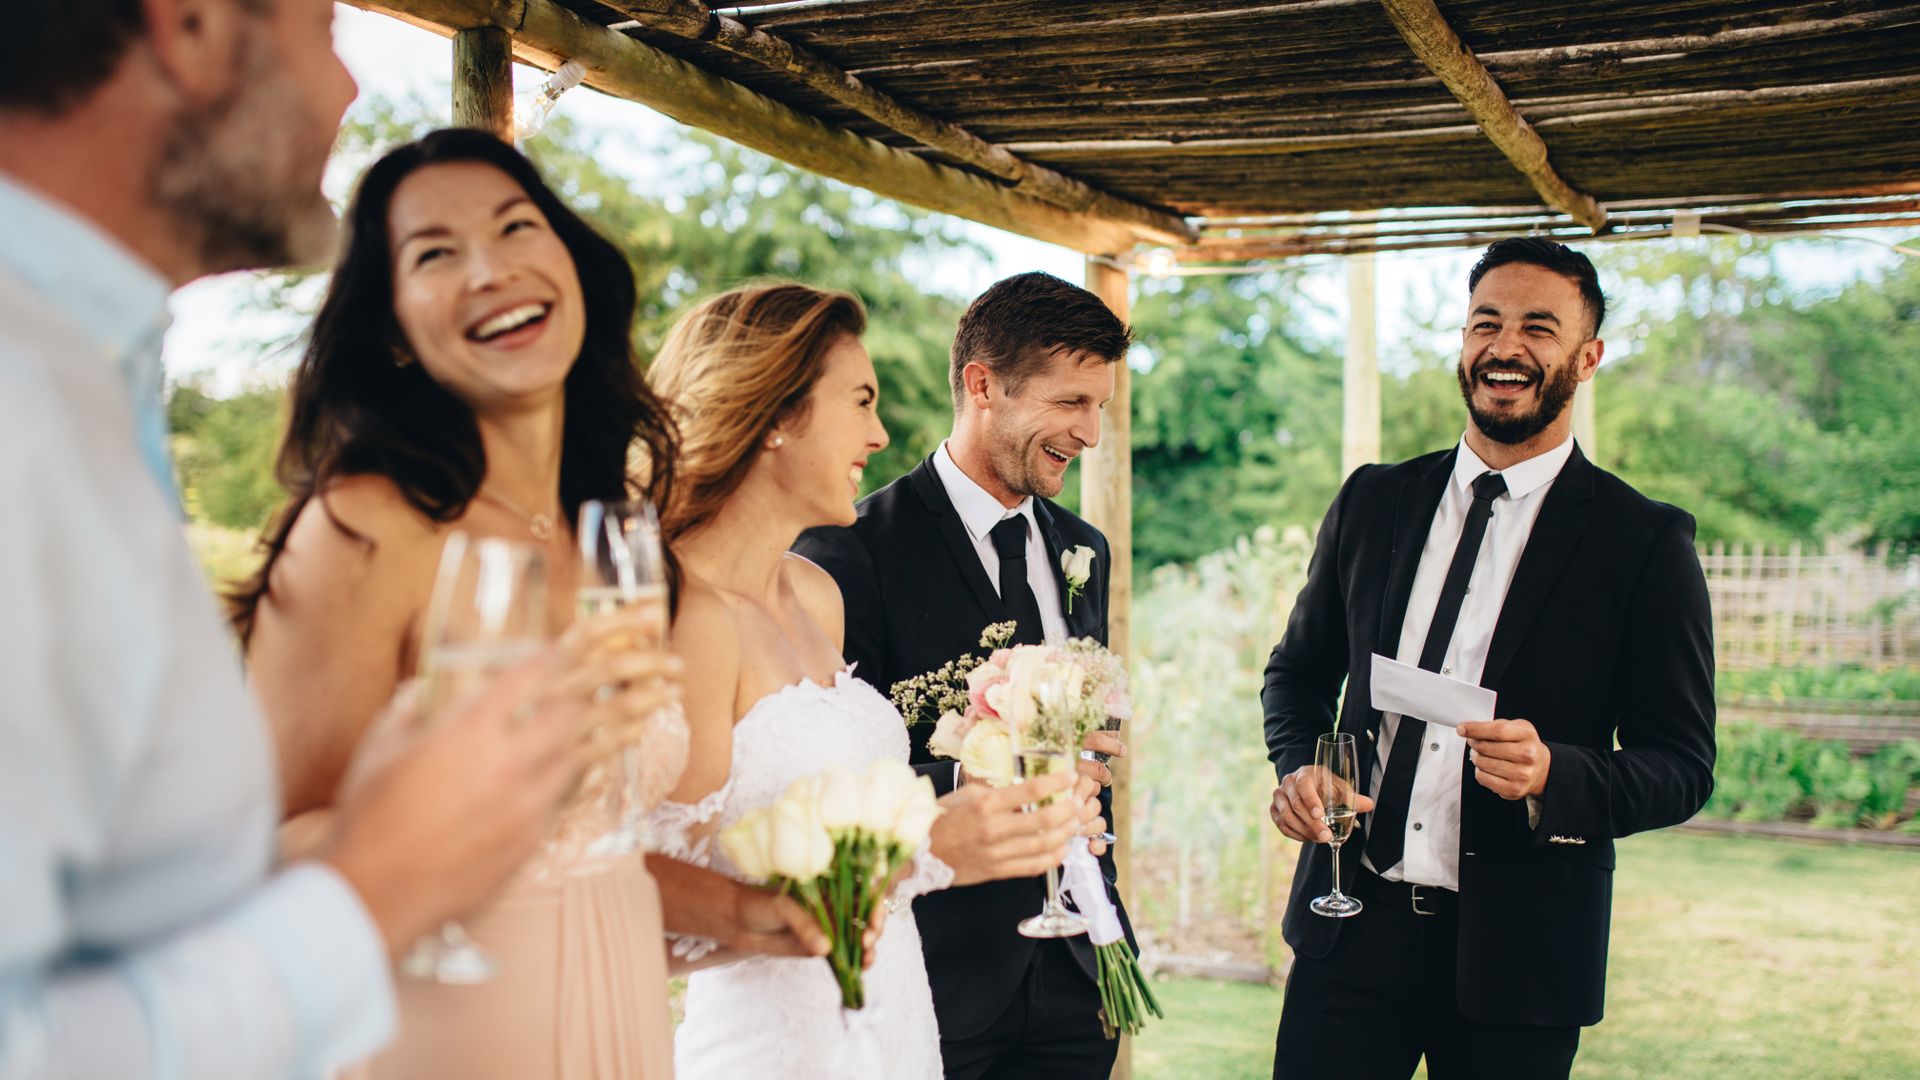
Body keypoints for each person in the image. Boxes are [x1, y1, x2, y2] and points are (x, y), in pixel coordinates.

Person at [0, 3, 621, 1076]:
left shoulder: (97, 382)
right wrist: (375, 878)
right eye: (320, 26)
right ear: (189, 25)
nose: (350, 88)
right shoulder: (28, 410)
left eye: (519, 227)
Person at [234, 130, 835, 1079]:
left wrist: (738, 914)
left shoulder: (611, 528)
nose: (492, 269)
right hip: (442, 1028)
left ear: (573, 269)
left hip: (621, 1021)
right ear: (390, 322)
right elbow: (264, 852)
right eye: (436, 253)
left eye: (518, 227)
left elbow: (589, 835)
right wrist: (459, 784)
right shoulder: (367, 523)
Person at [1262, 237, 1717, 1079]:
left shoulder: (1645, 542)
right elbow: (1296, 674)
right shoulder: (1373, 500)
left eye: (1538, 329)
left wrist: (1556, 773)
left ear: (1588, 357)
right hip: (1349, 929)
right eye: (1486, 323)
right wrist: (1299, 768)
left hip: (1525, 959)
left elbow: (1683, 767)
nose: (1506, 348)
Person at [645, 282, 1102, 1079]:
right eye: (860, 402)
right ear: (778, 415)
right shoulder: (688, 618)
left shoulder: (812, 597)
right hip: (781, 1046)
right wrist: (925, 842)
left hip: (896, 1023)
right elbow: (645, 905)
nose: (882, 432)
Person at [793, 270, 1136, 1080]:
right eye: (1069, 403)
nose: (1091, 432)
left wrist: (1092, 752)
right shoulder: (849, 555)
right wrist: (981, 772)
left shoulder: (1084, 547)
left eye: (1099, 407)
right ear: (983, 385)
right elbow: (830, 779)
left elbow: (1089, 726)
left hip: (1079, 964)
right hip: (938, 972)